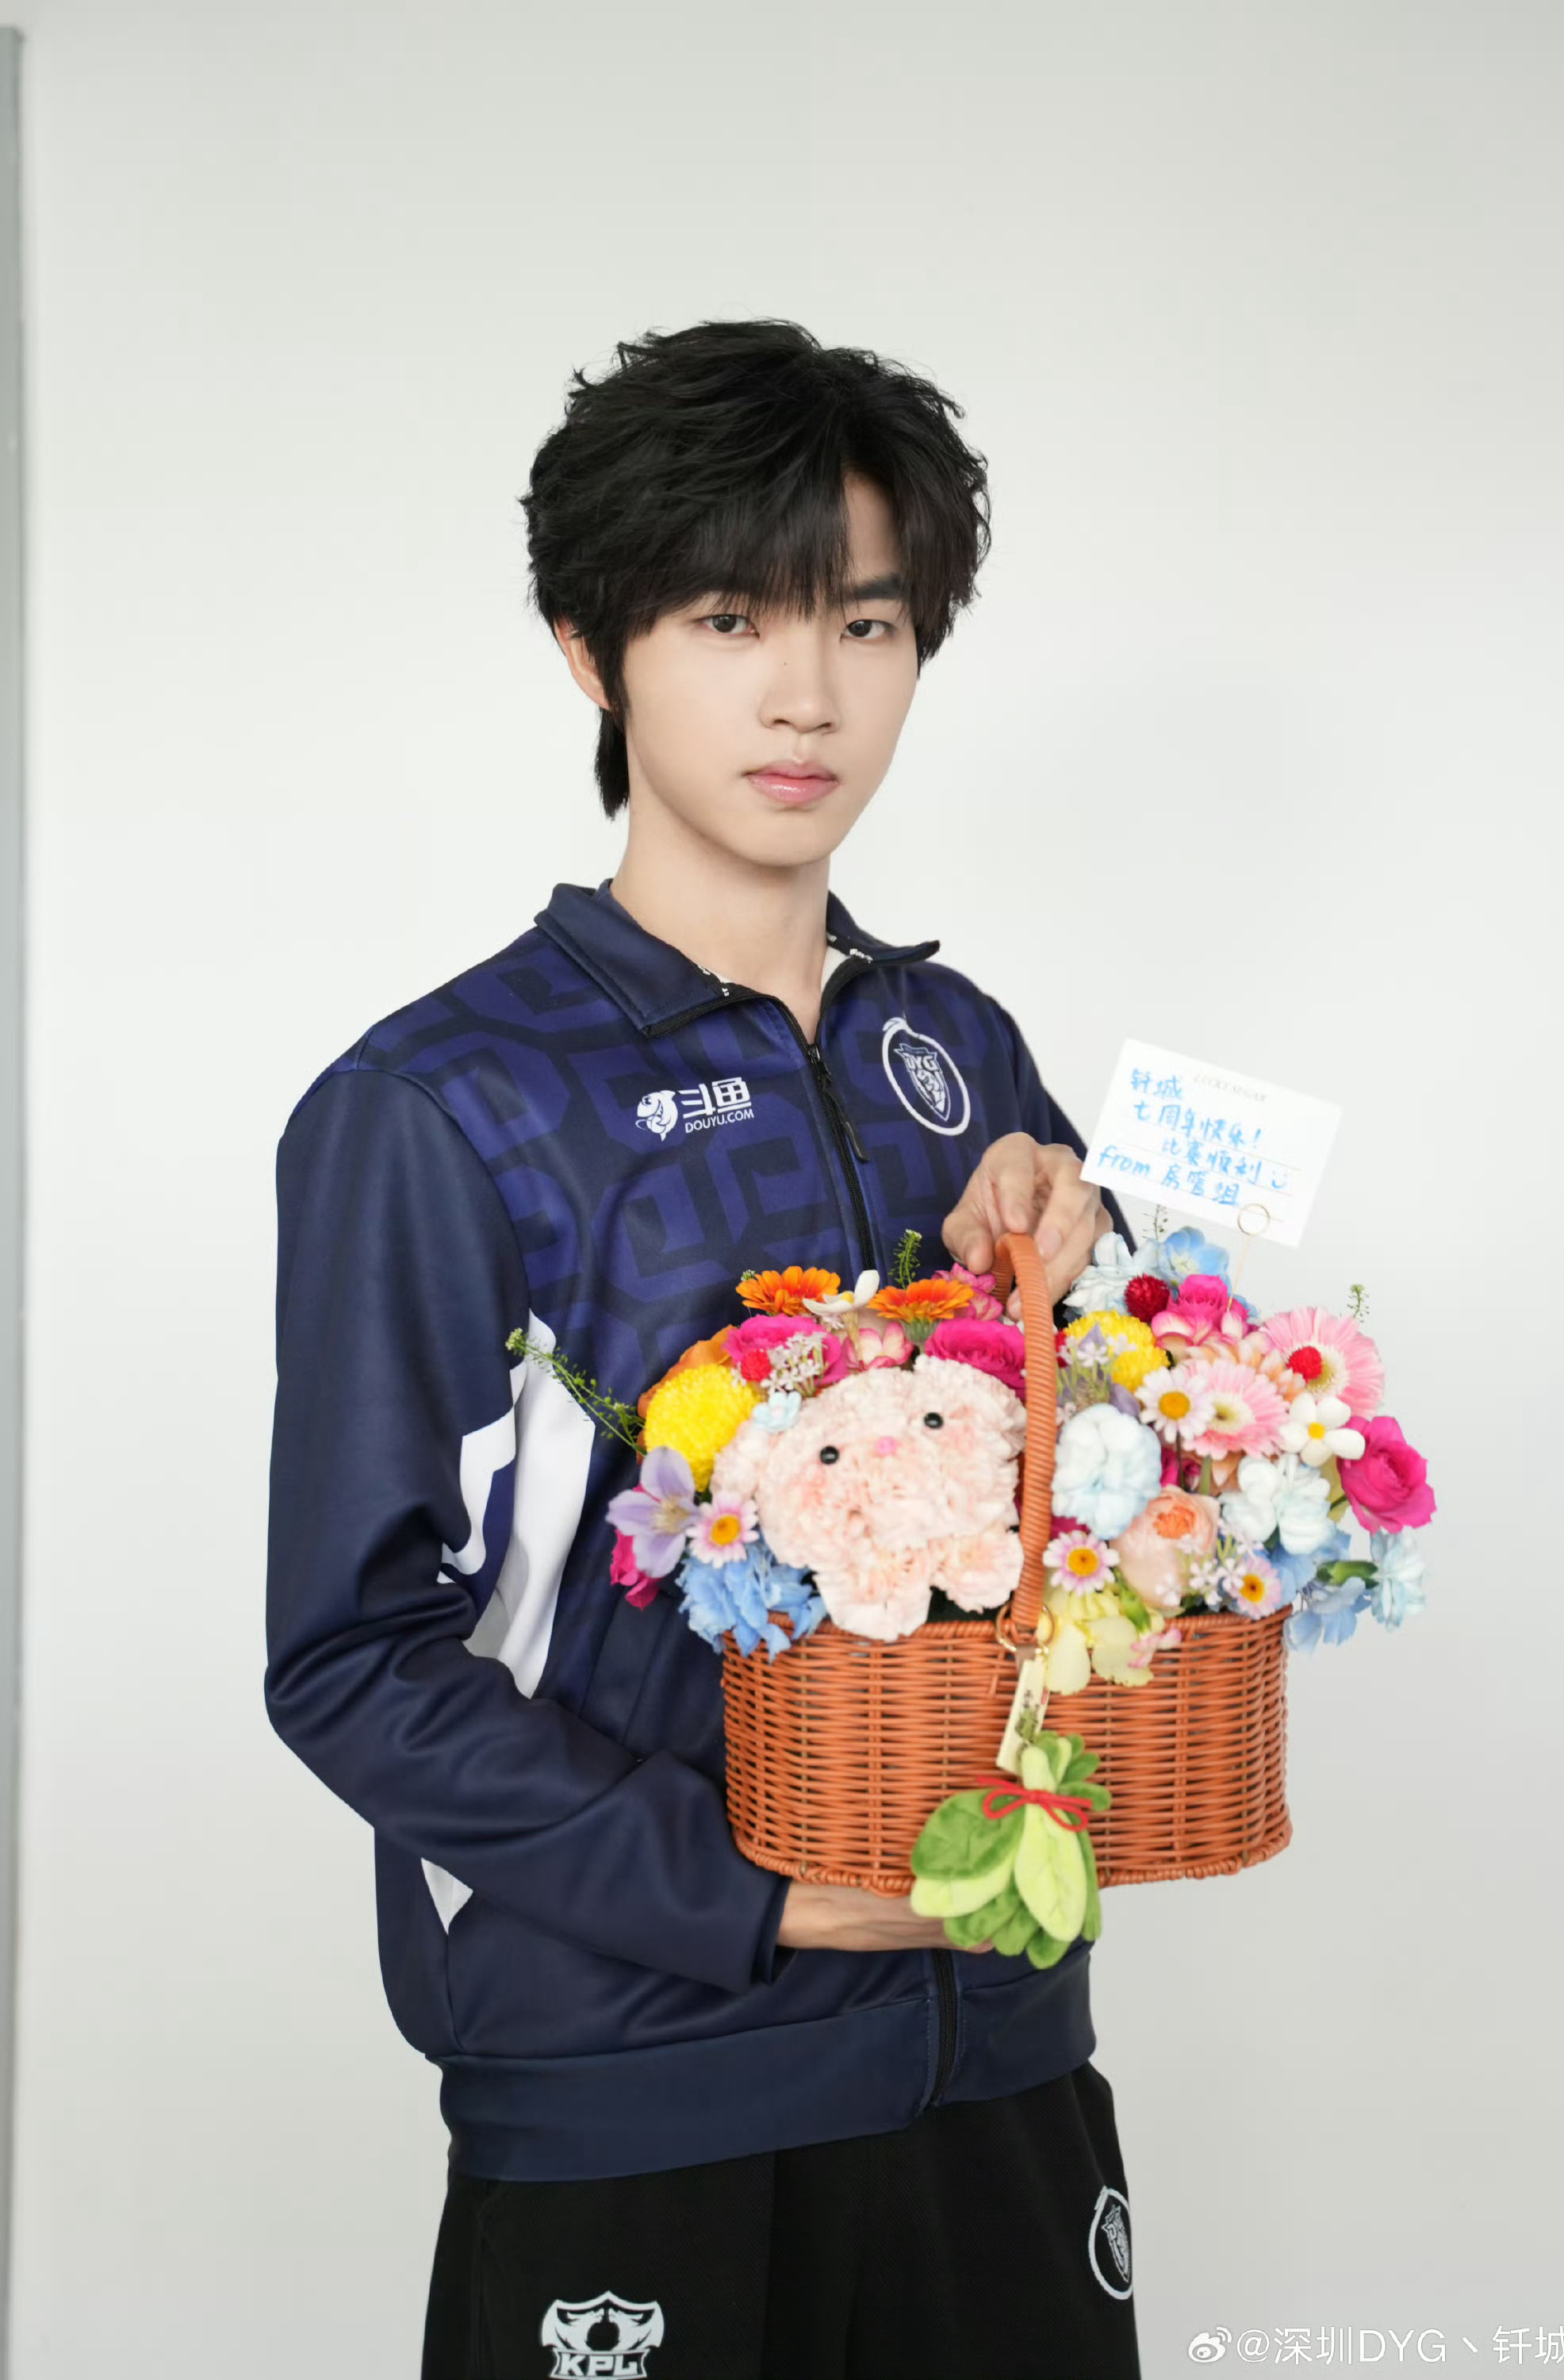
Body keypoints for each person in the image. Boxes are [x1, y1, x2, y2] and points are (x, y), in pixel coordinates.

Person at [264, 319, 1142, 2379]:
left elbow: (1089, 1515)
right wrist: (759, 1891)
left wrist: (1086, 1277)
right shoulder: (442, 1104)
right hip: (638, 2089)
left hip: (1005, 2055)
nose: (807, 693)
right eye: (732, 617)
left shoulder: (961, 1048)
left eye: (868, 622)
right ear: (593, 649)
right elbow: (352, 1656)